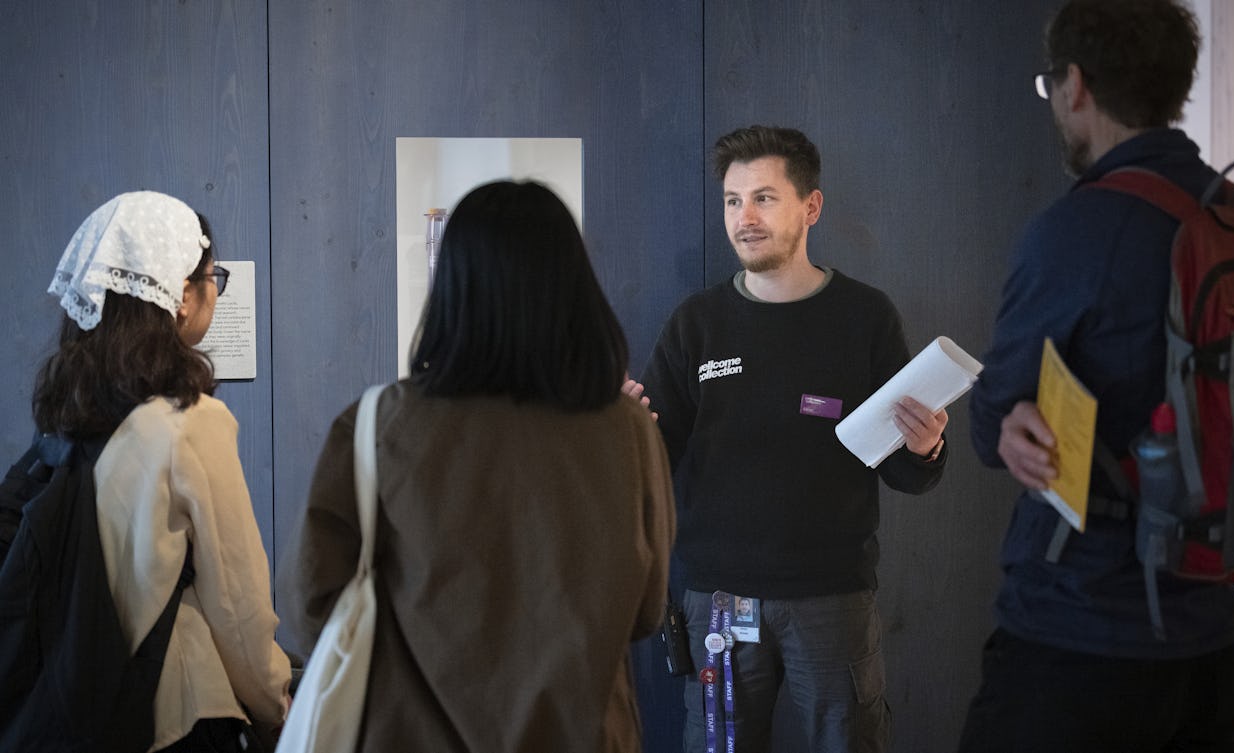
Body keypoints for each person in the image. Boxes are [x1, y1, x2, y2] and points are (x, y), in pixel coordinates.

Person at [280, 180, 676, 752]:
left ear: (452, 286)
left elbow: (313, 601)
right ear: (573, 287)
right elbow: (646, 610)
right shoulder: (627, 430)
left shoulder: (380, 423)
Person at [957, 2, 1234, 751]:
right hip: (1210, 631)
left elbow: (993, 421)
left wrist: (1006, 419)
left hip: (1080, 630)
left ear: (1074, 85)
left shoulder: (1077, 229)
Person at [639, 125, 949, 753]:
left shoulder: (865, 317)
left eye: (764, 198)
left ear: (811, 207)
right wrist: (629, 433)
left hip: (831, 597)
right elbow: (653, 461)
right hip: (719, 601)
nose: (744, 217)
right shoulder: (696, 324)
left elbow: (904, 471)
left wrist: (924, 447)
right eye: (732, 200)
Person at [33, 190, 291, 751]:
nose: (214, 291)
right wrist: (277, 700)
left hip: (77, 707)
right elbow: (237, 602)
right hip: (175, 715)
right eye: (211, 276)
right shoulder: (188, 422)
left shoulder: (66, 419)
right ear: (179, 294)